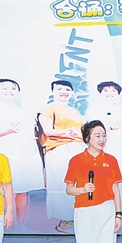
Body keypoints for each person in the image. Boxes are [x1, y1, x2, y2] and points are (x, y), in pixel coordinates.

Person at [65, 120, 122, 243]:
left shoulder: (111, 160)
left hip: (106, 210)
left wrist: (118, 214)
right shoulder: (76, 160)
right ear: (87, 138)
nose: (102, 139)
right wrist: (82, 189)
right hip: (84, 210)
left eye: (104, 135)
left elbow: (115, 188)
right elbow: (69, 188)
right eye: (97, 135)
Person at [0, 78, 44, 225]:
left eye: (13, 88)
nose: (9, 91)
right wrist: (7, 132)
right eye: (4, 88)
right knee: (7, 190)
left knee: (23, 190)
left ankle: (21, 224)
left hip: (26, 156)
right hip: (4, 155)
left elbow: (34, 135)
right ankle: (5, 224)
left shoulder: (25, 113)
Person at [39, 80, 85, 233]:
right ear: (53, 91)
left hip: (78, 148)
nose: (64, 92)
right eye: (60, 89)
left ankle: (78, 218)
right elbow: (48, 131)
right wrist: (66, 133)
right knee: (62, 183)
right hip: (59, 149)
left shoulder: (75, 111)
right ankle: (65, 221)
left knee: (79, 183)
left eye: (67, 89)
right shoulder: (48, 108)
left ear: (72, 93)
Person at [86, 81, 122, 218]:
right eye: (106, 90)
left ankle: (121, 211)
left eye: (113, 91)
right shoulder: (92, 111)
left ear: (118, 94)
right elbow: (90, 131)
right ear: (100, 93)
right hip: (103, 149)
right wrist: (109, 128)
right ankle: (101, 211)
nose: (110, 93)